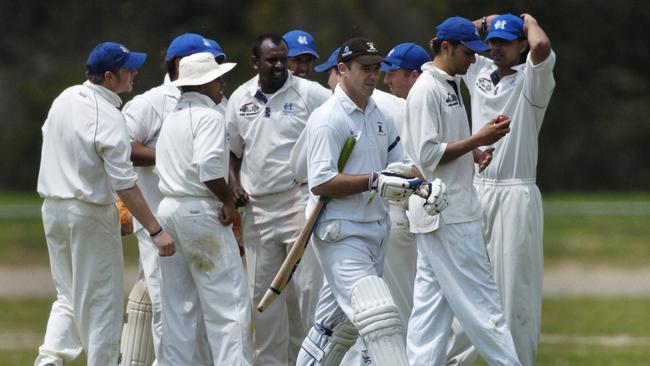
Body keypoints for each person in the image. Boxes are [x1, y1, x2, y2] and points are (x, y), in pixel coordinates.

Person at [295, 37, 446, 366]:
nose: (373, 75)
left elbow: (401, 165)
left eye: (377, 68)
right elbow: (320, 182)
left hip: (375, 228)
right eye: (365, 68)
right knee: (378, 315)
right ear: (342, 70)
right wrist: (373, 180)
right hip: (341, 231)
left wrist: (425, 186)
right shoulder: (327, 118)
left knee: (336, 328)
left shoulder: (378, 113)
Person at [35, 41, 175, 366]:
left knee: (68, 297)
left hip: (52, 210)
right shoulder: (109, 115)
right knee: (103, 303)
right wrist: (156, 231)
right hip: (89, 214)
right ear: (109, 77)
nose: (134, 73)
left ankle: (48, 361)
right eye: (128, 70)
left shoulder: (64, 97)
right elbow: (126, 185)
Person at [401, 17, 522, 365]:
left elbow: (445, 139)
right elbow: (426, 155)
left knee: (429, 315)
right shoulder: (427, 89)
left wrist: (475, 152)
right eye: (468, 53)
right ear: (445, 48)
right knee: (484, 305)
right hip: (449, 215)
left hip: (442, 213)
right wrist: (479, 138)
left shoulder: (449, 83)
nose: (474, 60)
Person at [446, 13, 555, 366]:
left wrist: (528, 20)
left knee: (514, 296)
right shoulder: (478, 70)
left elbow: (541, 45)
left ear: (520, 44)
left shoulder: (532, 80)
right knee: (465, 290)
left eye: (504, 42)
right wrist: (487, 23)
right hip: (475, 189)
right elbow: (444, 41)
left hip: (515, 193)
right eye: (491, 41)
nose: (495, 48)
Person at [120, 32, 227, 364]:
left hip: (201, 219)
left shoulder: (217, 102)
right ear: (181, 64)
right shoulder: (151, 101)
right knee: (170, 311)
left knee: (203, 312)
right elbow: (121, 147)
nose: (217, 72)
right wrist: (169, 155)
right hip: (156, 219)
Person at [226, 33, 332, 365]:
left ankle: (312, 360)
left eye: (283, 58)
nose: (280, 65)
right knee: (265, 297)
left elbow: (340, 123)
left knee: (306, 290)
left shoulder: (310, 94)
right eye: (272, 59)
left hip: (298, 201)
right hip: (257, 208)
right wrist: (233, 186)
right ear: (255, 62)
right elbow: (231, 153)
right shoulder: (240, 98)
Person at [154, 52, 252, 365]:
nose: (223, 83)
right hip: (199, 212)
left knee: (179, 310)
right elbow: (209, 170)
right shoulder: (209, 117)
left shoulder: (172, 118)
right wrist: (227, 200)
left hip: (169, 211)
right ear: (204, 83)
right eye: (218, 78)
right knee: (229, 307)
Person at [376, 41, 431, 330]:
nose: (386, 80)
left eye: (392, 73)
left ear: (414, 75)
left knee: (409, 302)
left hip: (422, 214)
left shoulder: (422, 106)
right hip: (408, 214)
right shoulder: (401, 105)